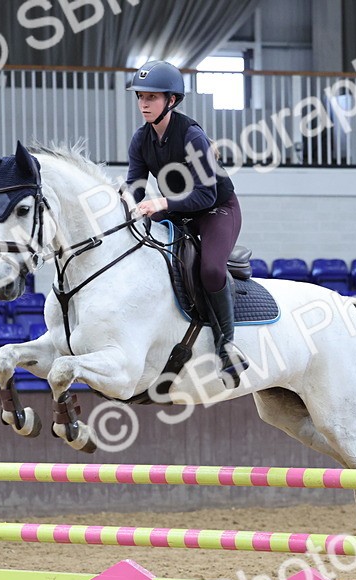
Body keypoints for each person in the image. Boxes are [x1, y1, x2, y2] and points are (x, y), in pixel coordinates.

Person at [125, 59, 247, 385]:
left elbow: (205, 196)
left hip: (217, 209)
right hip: (180, 210)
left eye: (151, 98)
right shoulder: (140, 139)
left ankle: (227, 348)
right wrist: (125, 208)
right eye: (140, 97)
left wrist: (161, 202)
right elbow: (135, 187)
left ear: (172, 101)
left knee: (209, 270)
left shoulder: (193, 137)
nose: (144, 104)